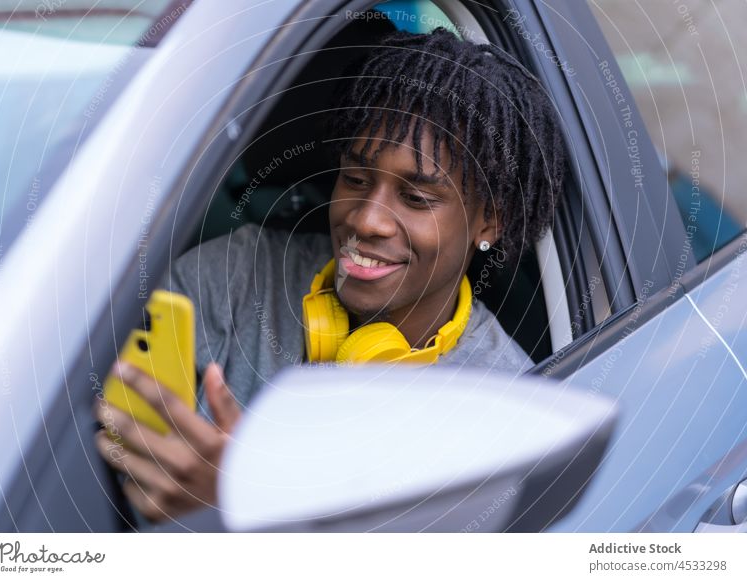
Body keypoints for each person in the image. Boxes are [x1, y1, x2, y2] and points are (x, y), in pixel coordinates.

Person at [95, 28, 567, 522]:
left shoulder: (501, 409)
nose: (366, 220)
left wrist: (233, 511)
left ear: (488, 221)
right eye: (356, 179)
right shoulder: (225, 280)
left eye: (417, 198)